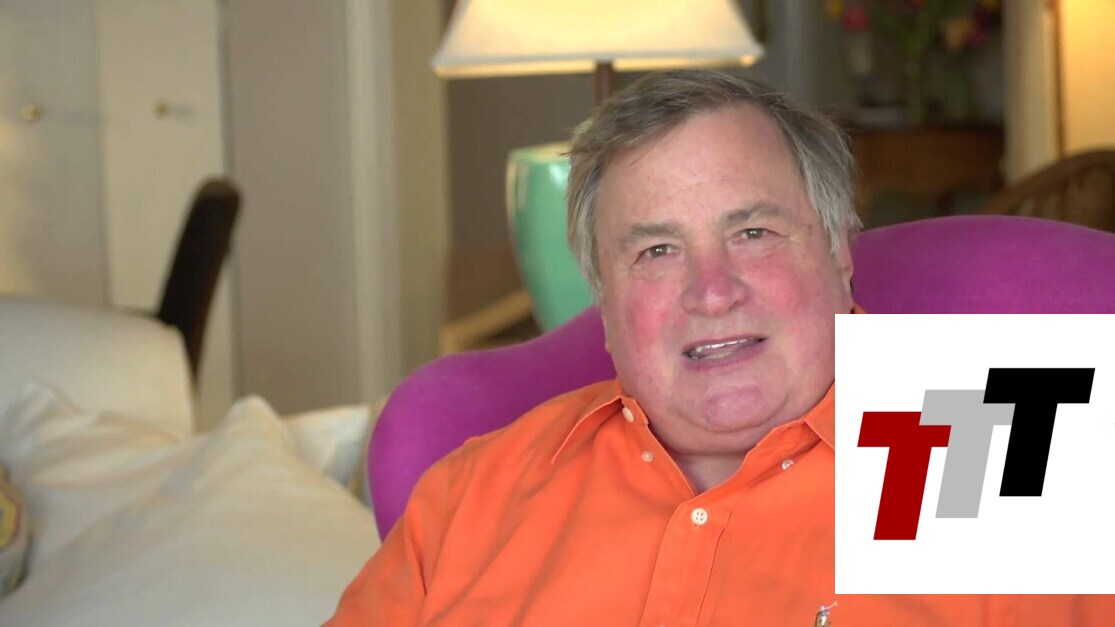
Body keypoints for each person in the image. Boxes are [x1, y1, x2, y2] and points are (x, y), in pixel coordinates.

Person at [327, 70, 1112, 625]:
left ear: (837, 250)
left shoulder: (996, 443)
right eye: (655, 251)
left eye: (753, 232)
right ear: (603, 298)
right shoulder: (477, 494)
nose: (711, 290)